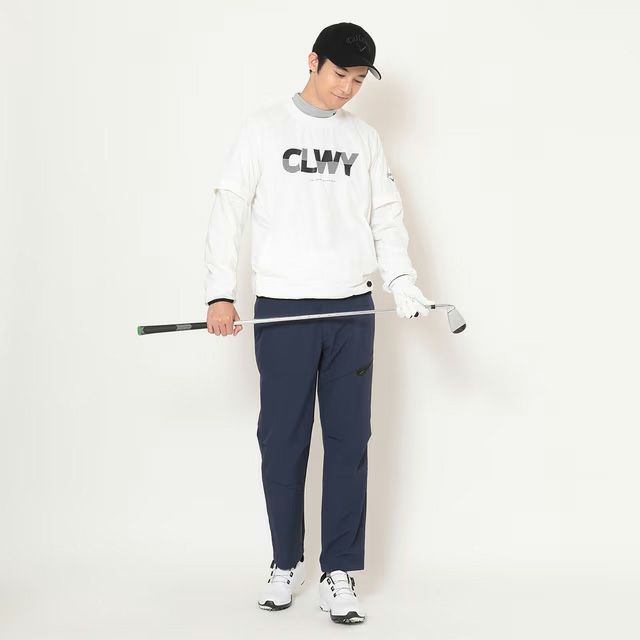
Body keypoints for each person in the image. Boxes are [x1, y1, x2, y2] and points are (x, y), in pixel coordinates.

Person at [204, 22, 433, 625]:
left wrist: (402, 281)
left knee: (349, 443)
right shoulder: (263, 129)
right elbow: (228, 210)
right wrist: (220, 294)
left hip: (352, 309)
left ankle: (339, 571)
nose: (347, 89)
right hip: (284, 309)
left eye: (358, 80)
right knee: (282, 441)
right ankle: (286, 561)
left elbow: (386, 216)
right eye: (339, 74)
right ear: (312, 61)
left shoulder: (364, 139)